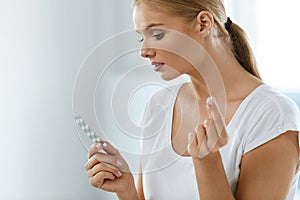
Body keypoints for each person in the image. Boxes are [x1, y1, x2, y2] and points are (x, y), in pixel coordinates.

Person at [84, 0, 300, 199]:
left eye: (157, 34)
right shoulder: (159, 105)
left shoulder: (271, 115)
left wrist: (208, 163)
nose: (144, 51)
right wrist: (127, 191)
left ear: (204, 24)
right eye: (142, 36)